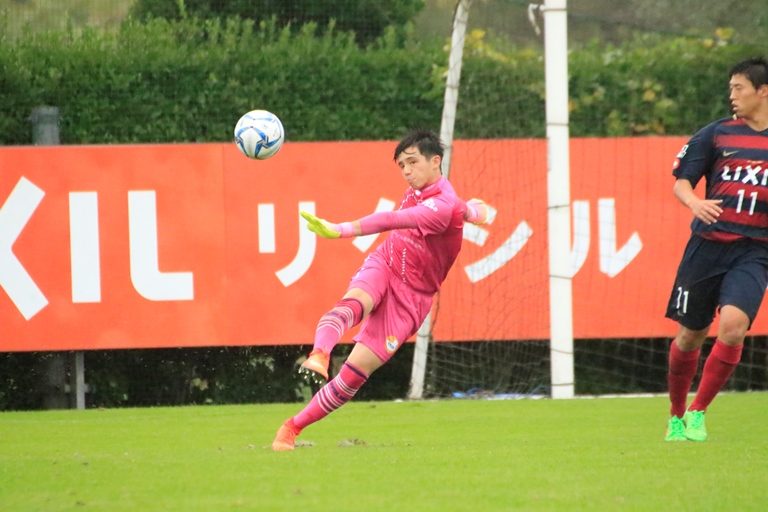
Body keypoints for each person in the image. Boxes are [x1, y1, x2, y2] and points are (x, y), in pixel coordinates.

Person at [271, 129, 489, 451]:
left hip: (412, 298)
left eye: (412, 162)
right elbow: (466, 210)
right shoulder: (434, 195)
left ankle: (292, 427)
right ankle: (319, 354)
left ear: (436, 161)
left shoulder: (444, 206)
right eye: (401, 165)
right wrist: (476, 212)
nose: (407, 171)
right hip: (386, 262)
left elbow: (390, 219)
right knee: (355, 302)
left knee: (354, 376)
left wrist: (339, 230)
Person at [664, 57, 768, 442]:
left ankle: (697, 412)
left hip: (755, 251)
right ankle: (676, 415)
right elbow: (681, 182)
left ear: (763, 91)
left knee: (733, 327)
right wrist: (695, 203)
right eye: (730, 89)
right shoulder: (716, 134)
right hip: (707, 248)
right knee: (690, 336)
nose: (732, 96)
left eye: (739, 88)